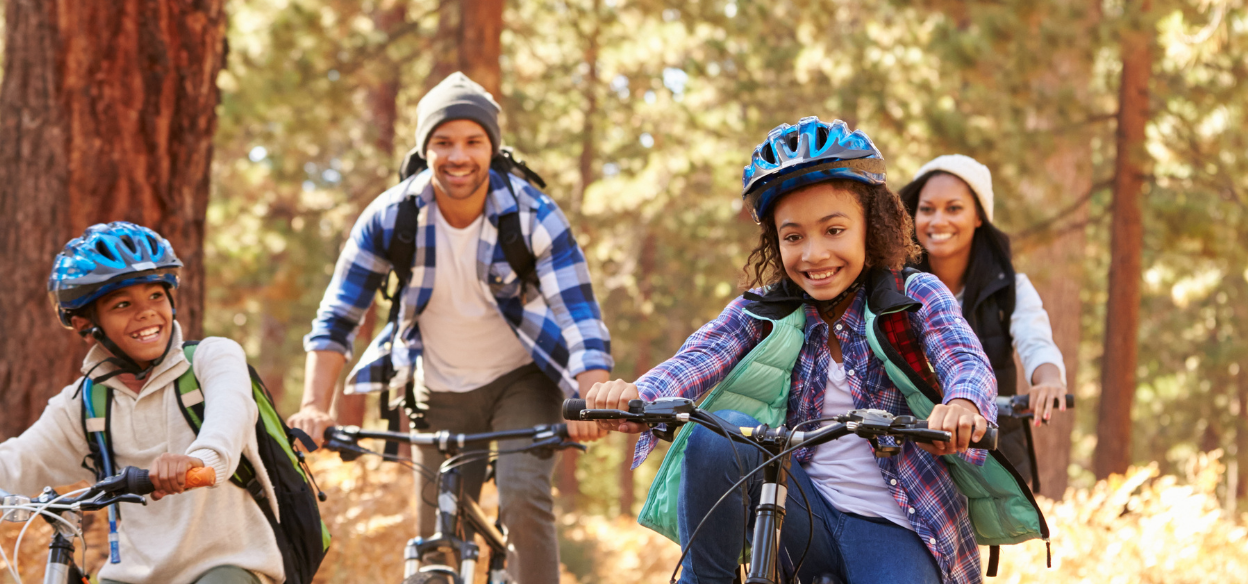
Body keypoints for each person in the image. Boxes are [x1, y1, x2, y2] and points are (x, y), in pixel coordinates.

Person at [585, 117, 998, 584]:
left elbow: (963, 358)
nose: (814, 254)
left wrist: (963, 404)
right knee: (719, 435)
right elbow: (698, 358)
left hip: (899, 525)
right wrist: (634, 395)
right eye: (794, 236)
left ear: (871, 227)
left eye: (834, 230)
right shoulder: (767, 310)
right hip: (797, 513)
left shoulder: (914, 295)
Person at [288, 72, 612, 584]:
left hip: (522, 380)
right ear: (425, 149)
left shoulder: (533, 214)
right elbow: (337, 317)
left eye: (472, 142)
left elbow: (579, 317)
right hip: (435, 385)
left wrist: (593, 397)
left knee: (523, 494)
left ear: (492, 147)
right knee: (436, 536)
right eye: (443, 142)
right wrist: (314, 406)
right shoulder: (391, 217)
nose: (458, 156)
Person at [0, 222, 285, 584]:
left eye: (156, 295)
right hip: (136, 574)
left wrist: (199, 460)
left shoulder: (212, 358)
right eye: (122, 304)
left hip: (228, 565)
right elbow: (22, 458)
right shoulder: (85, 402)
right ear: (84, 325)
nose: (147, 312)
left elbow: (229, 421)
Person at [898, 154, 1068, 493]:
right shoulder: (894, 286)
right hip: (912, 452)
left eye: (954, 208)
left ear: (979, 217)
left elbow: (1036, 342)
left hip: (990, 448)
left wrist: (1048, 381)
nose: (938, 220)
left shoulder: (1011, 287)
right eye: (927, 209)